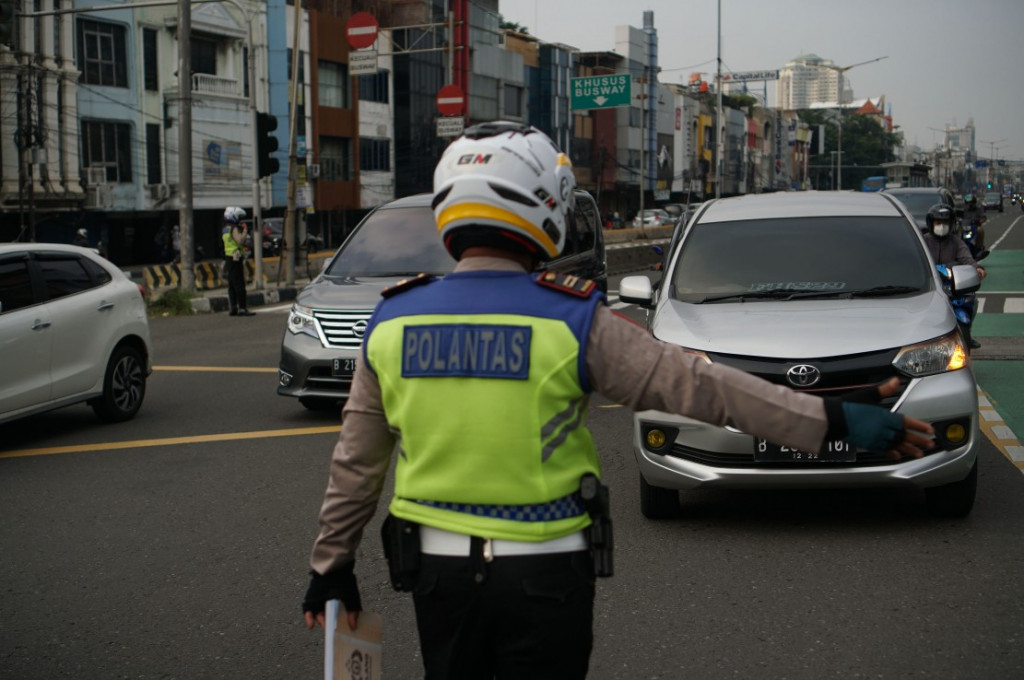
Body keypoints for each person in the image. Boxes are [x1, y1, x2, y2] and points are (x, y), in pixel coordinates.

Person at [301, 121, 935, 679]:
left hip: (437, 576)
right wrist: (831, 419)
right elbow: (702, 388)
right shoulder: (573, 321)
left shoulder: (392, 321)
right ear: (546, 205)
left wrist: (332, 567)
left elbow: (356, 465)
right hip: (545, 573)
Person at [922, 203, 986, 349]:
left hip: (952, 284)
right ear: (931, 223)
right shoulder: (924, 241)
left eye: (945, 223)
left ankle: (967, 332)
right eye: (938, 222)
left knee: (973, 300)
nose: (942, 226)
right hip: (929, 284)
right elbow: (915, 258)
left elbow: (966, 258)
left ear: (951, 224)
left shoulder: (956, 242)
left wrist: (976, 268)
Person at [222, 207, 254, 317]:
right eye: (238, 217)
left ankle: (233, 307)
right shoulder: (234, 228)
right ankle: (242, 308)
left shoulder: (225, 229)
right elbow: (240, 240)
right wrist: (244, 230)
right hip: (236, 257)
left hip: (228, 257)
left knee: (231, 284)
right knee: (239, 283)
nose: (239, 220)